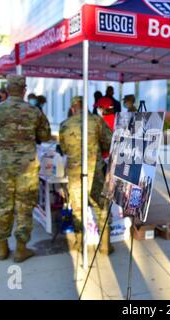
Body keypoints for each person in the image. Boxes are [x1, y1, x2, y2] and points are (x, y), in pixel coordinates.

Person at [0, 75, 51, 262]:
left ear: (7, 89)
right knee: (24, 206)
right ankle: (21, 249)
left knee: (4, 205)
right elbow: (45, 136)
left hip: (3, 167)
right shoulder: (34, 111)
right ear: (24, 90)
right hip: (26, 168)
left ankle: (2, 248)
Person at [59, 96, 114, 255]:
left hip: (75, 172)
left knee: (77, 207)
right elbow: (109, 142)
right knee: (101, 206)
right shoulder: (96, 121)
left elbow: (63, 148)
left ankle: (79, 243)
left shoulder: (65, 124)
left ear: (73, 107)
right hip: (95, 170)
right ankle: (105, 245)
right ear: (85, 106)